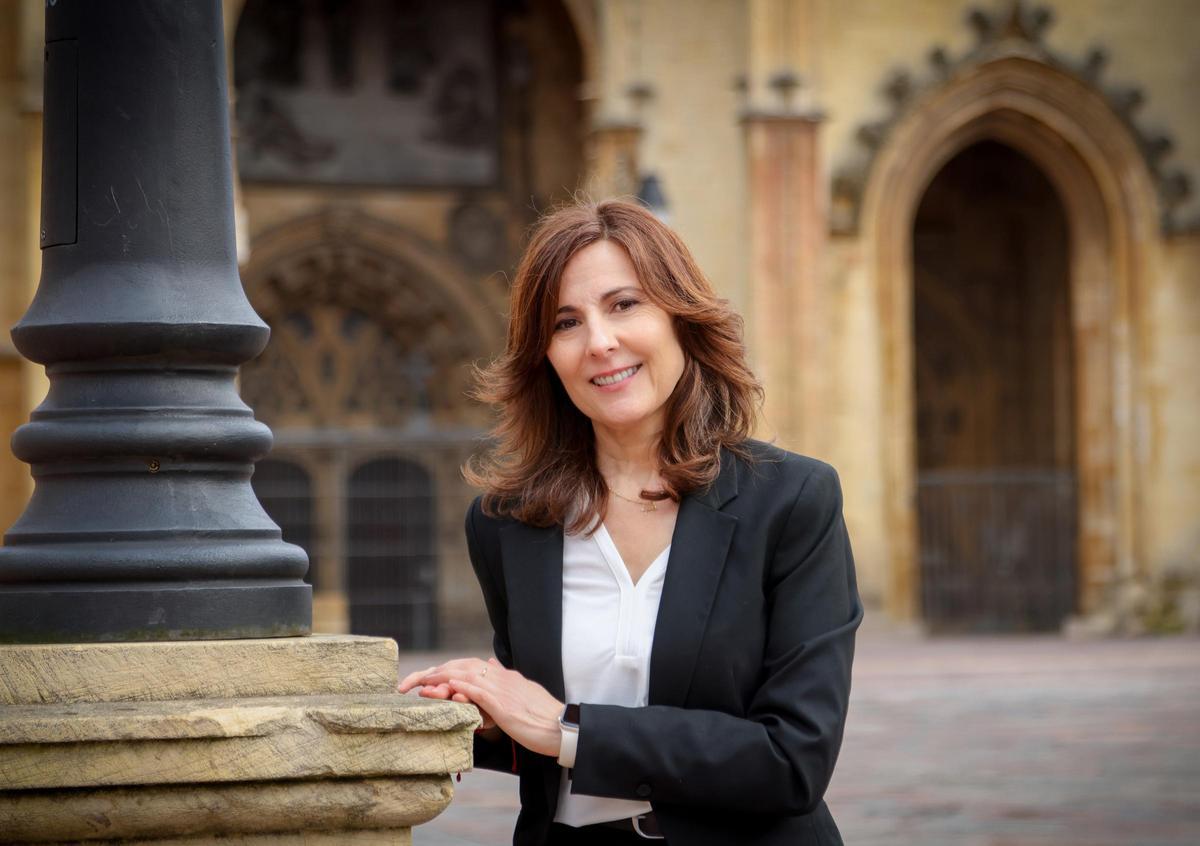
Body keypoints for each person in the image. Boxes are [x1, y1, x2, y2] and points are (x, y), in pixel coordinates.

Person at [399, 199, 862, 846]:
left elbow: (792, 760)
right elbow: (538, 748)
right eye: (566, 322)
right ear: (546, 358)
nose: (599, 342)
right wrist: (482, 721)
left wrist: (566, 728)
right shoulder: (507, 525)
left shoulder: (791, 501)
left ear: (680, 318)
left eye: (624, 304)